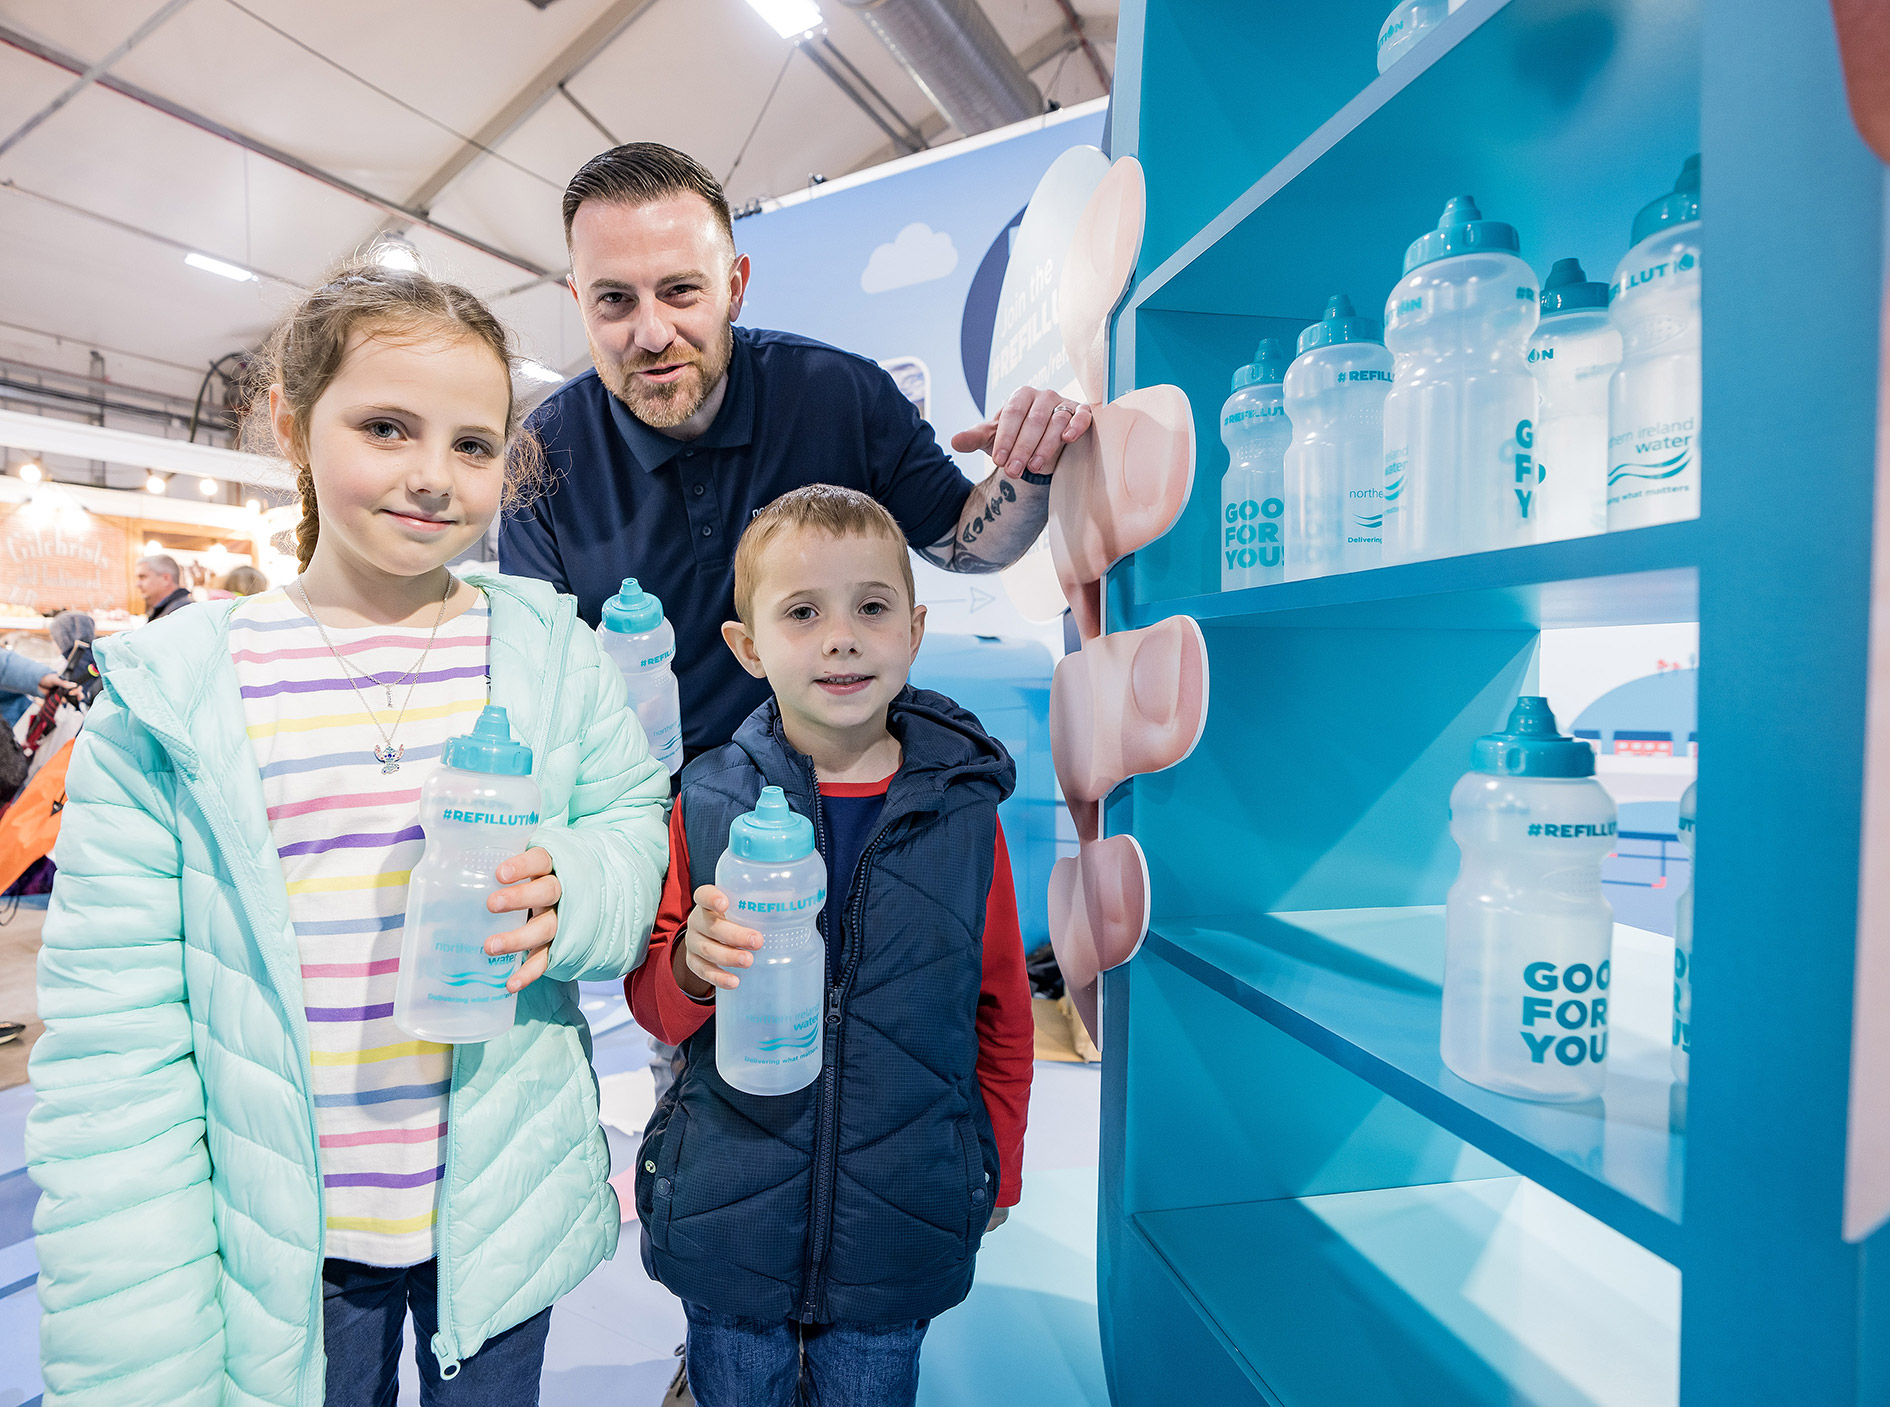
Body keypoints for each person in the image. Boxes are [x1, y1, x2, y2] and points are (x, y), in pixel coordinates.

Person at [27, 256, 671, 1407]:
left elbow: (629, 819)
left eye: (473, 446)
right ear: (293, 423)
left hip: (498, 1211)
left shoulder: (545, 653)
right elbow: (115, 1040)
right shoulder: (181, 695)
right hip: (282, 1238)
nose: (434, 477)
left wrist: (578, 885)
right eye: (387, 426)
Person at [628, 485, 1034, 1407]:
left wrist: (999, 1162)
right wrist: (693, 962)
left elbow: (1001, 1006)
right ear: (747, 646)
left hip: (901, 1211)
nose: (842, 637)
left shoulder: (965, 813)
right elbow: (654, 1004)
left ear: (915, 629)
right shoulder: (701, 802)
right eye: (803, 612)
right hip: (730, 1211)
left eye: (872, 608)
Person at [500, 141, 1094, 766]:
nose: (652, 334)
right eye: (615, 300)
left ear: (734, 287)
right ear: (578, 302)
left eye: (680, 291)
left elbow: (965, 544)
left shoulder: (841, 394)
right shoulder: (543, 456)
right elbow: (544, 687)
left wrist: (1030, 460)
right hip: (648, 814)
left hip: (844, 794)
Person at [135, 552, 192, 621]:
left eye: (143, 577)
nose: (138, 584)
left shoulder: (182, 613)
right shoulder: (167, 611)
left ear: (165, 579)